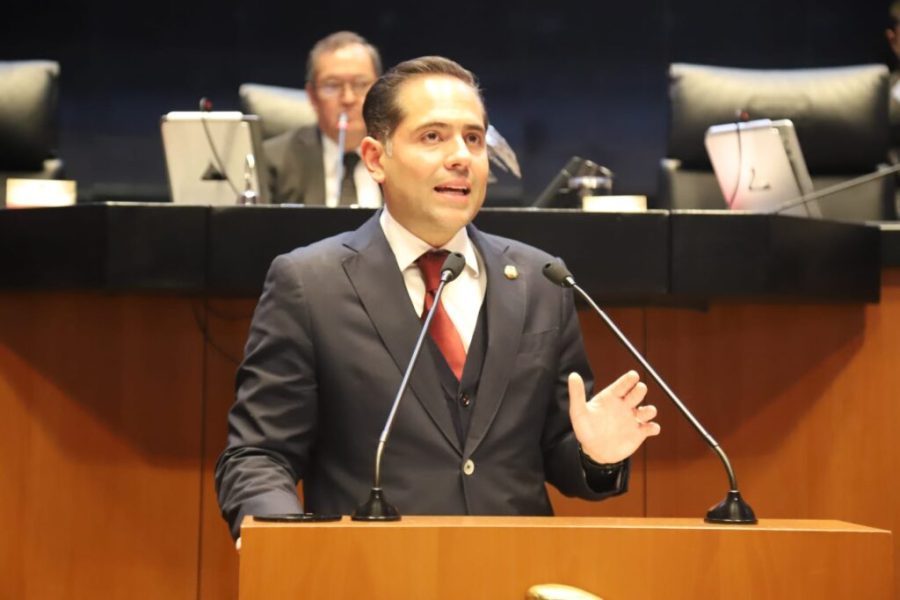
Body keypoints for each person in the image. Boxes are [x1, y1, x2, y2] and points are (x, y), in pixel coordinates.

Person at [215, 56, 660, 540]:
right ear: (375, 158)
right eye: (433, 136)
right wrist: (283, 546)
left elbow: (560, 452)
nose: (461, 156)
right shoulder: (310, 284)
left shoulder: (541, 280)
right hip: (369, 570)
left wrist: (598, 454)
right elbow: (260, 455)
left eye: (474, 138)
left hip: (515, 568)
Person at [264, 31, 383, 207]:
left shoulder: (401, 156)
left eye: (360, 84)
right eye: (332, 85)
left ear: (379, 91)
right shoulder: (274, 160)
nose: (348, 98)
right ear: (312, 96)